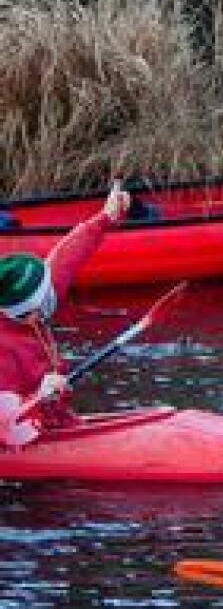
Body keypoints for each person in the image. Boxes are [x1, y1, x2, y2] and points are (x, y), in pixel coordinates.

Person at [0, 180, 132, 437]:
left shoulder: (36, 300)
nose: (49, 307)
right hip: (23, 432)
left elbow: (68, 257)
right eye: (41, 306)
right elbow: (6, 424)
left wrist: (105, 217)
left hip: (56, 418)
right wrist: (37, 396)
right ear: (20, 314)